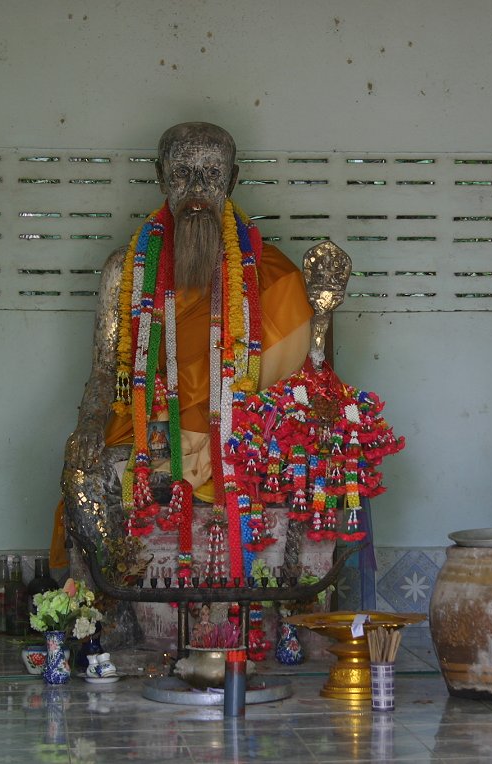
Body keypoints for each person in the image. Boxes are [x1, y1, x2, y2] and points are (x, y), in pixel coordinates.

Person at [52, 122, 313, 576]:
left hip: (240, 434)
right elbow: (102, 370)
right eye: (182, 174)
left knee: (315, 469)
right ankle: (113, 611)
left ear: (232, 181)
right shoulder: (127, 269)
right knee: (80, 477)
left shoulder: (272, 275)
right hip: (148, 428)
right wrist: (90, 422)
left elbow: (303, 384)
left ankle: (281, 614)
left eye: (211, 175)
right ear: (160, 177)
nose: (196, 190)